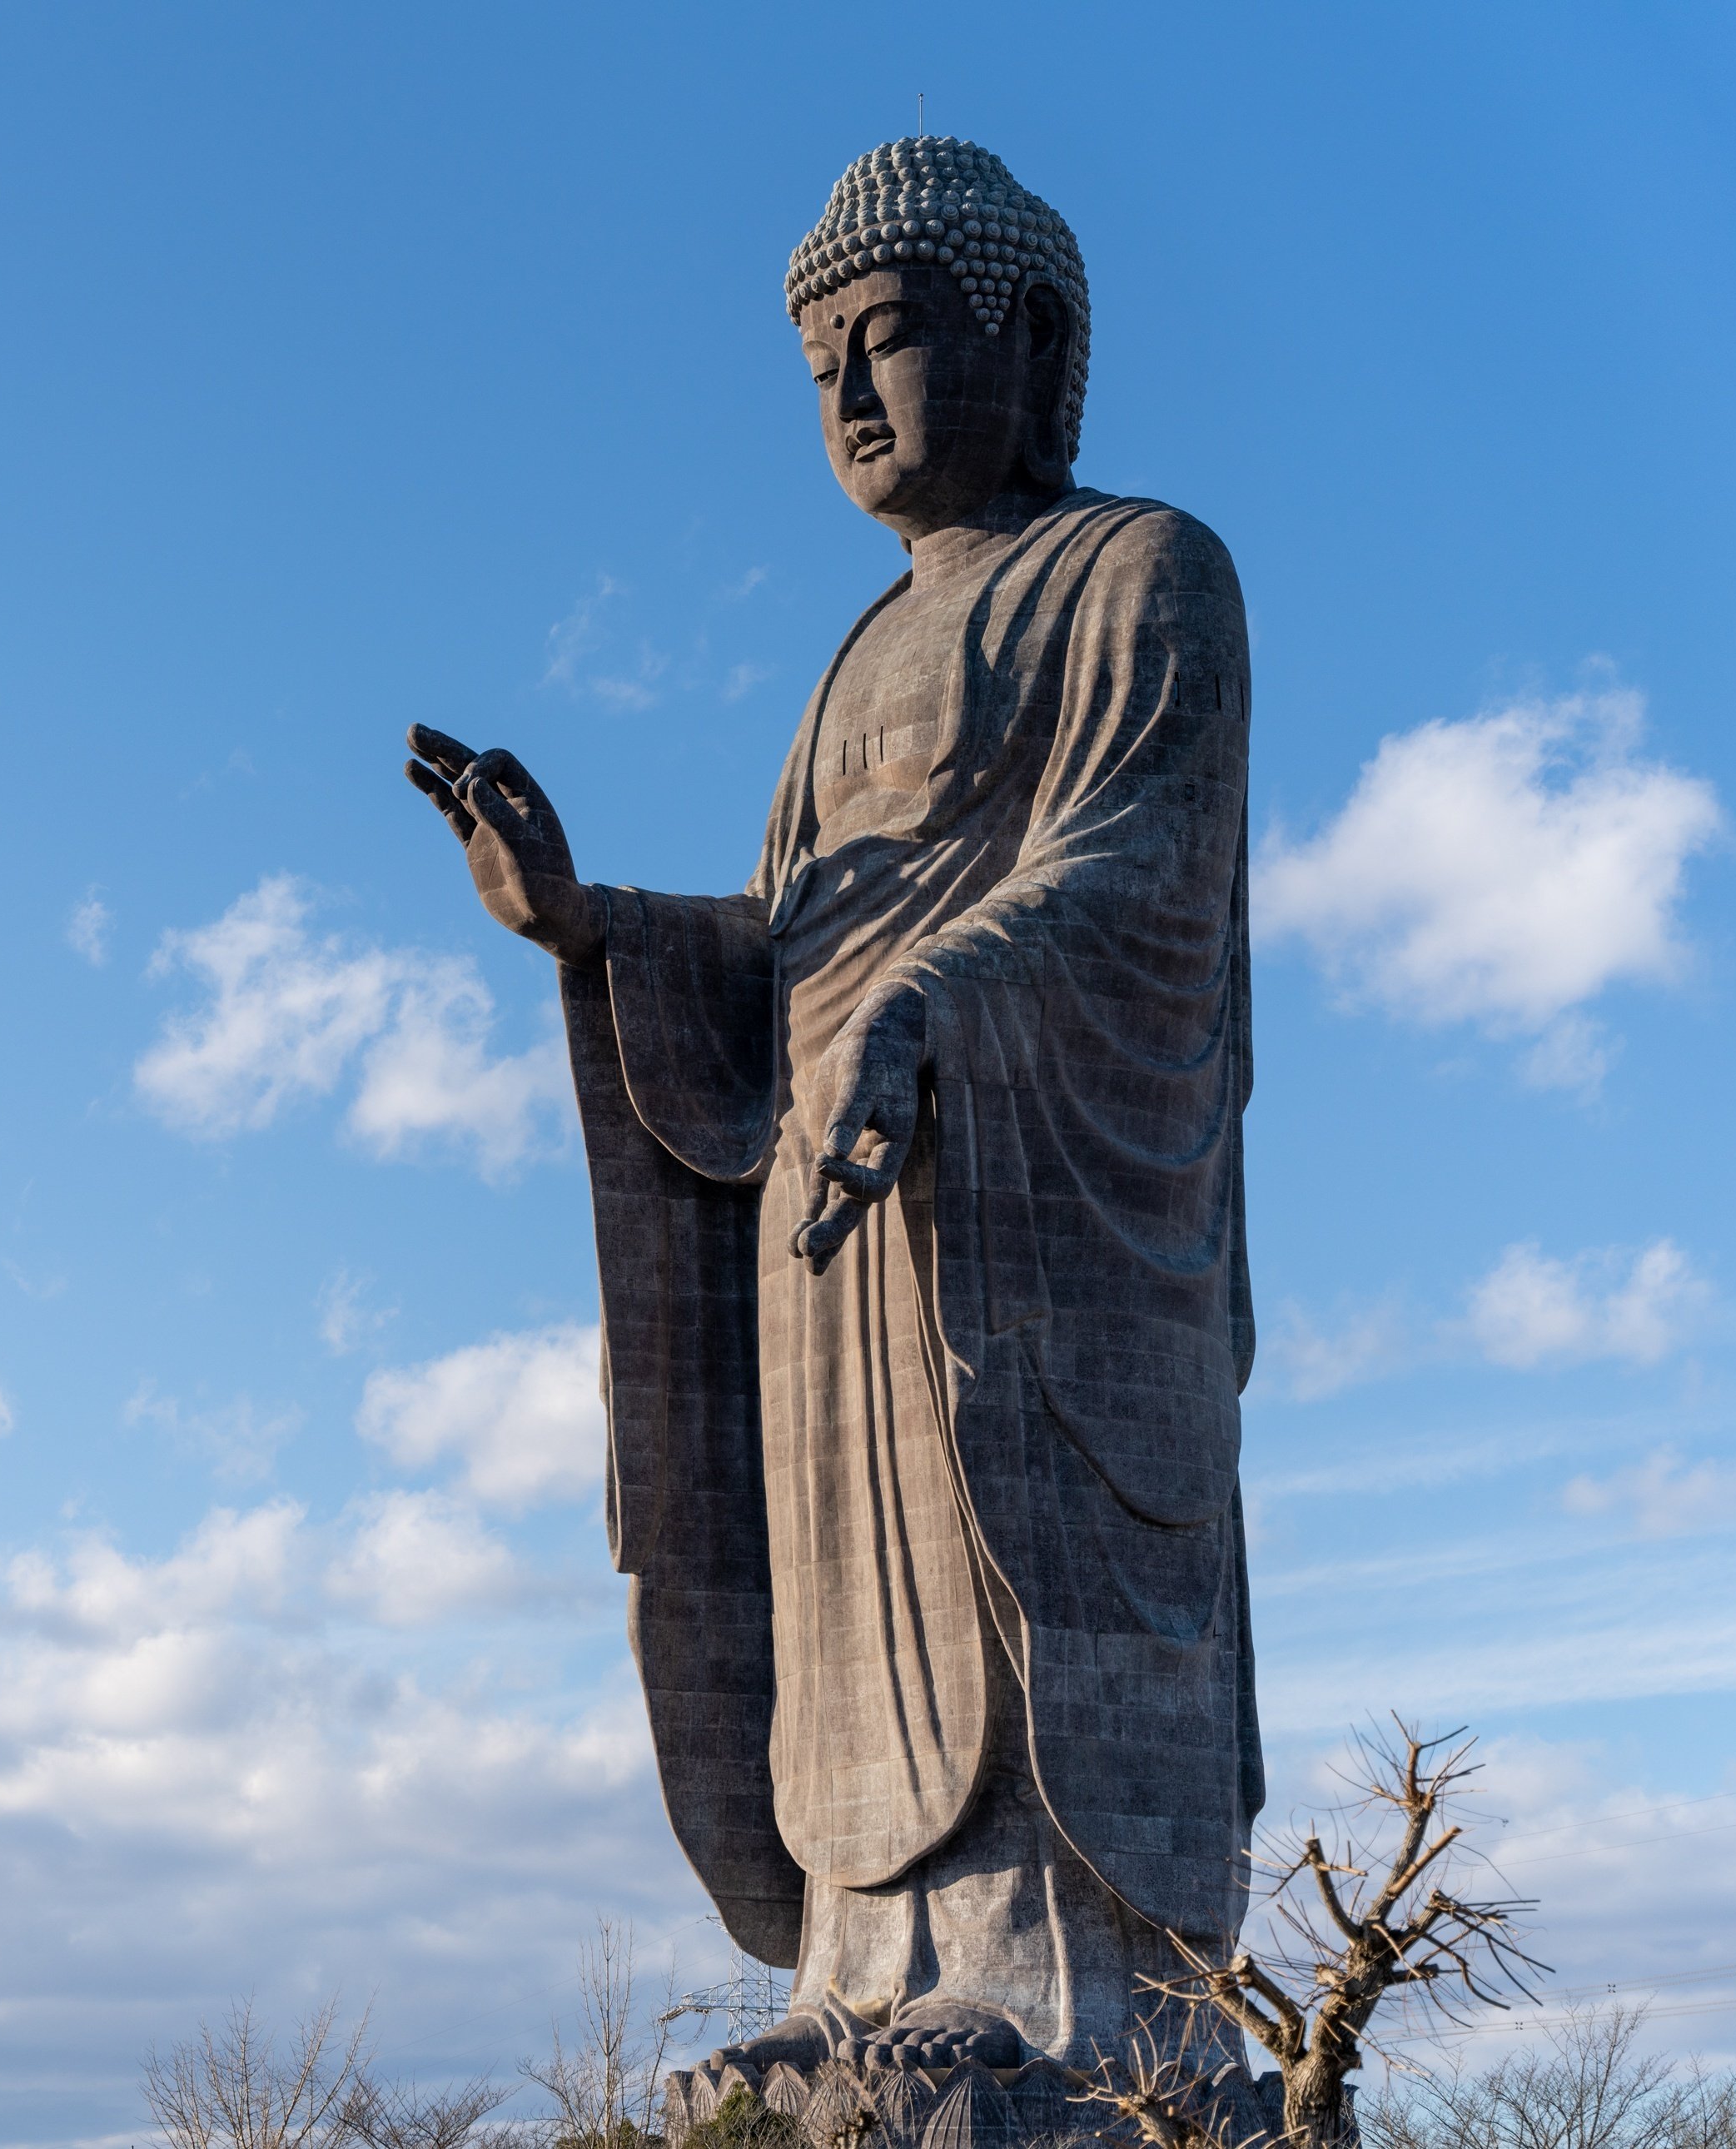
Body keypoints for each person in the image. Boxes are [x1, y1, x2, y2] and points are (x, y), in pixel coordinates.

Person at [406, 137, 1260, 2072]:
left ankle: (1068, 1999)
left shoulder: (1136, 570)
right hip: (840, 1219)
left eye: (885, 342)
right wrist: (590, 923)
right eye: (819, 374)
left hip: (1033, 1207)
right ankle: (858, 1980)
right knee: (847, 1595)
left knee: (1004, 1554)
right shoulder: (854, 652)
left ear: (1029, 342)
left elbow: (1140, 862)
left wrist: (932, 1006)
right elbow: (791, 942)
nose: (851, 402)